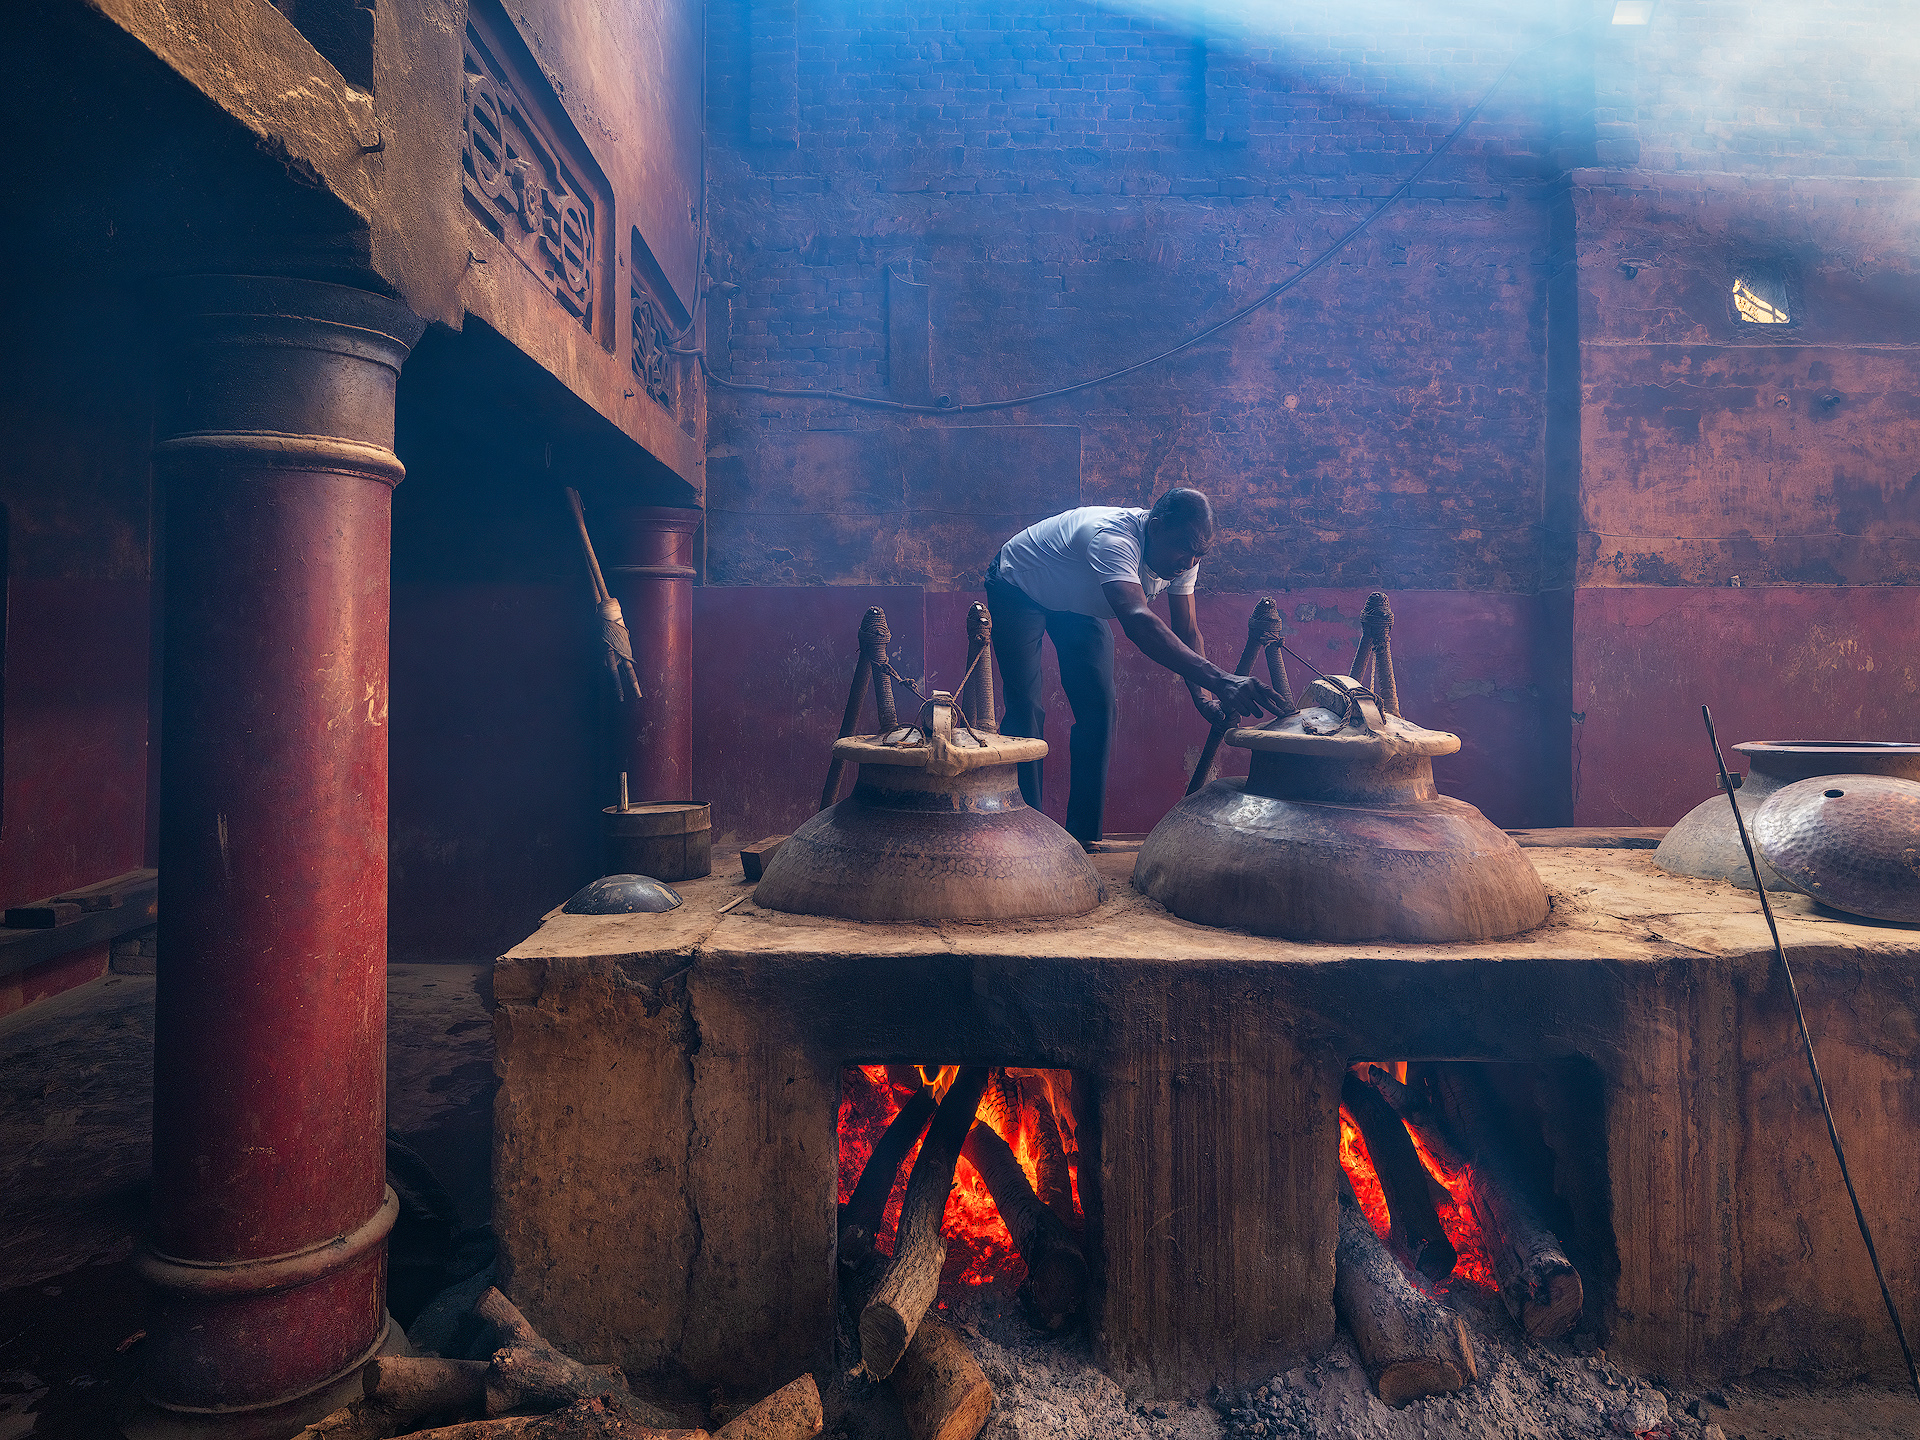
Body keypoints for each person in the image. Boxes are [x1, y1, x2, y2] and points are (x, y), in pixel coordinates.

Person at [984, 489, 1286, 847]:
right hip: (1020, 585)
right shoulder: (1113, 539)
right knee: (1026, 707)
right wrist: (1223, 681)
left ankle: (1084, 840)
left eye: (1198, 554)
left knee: (1100, 709)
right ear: (1154, 528)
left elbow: (1186, 630)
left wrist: (1204, 697)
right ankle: (1026, 835)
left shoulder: (1184, 554)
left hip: (1080, 602)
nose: (1189, 563)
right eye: (1184, 549)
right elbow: (1138, 620)